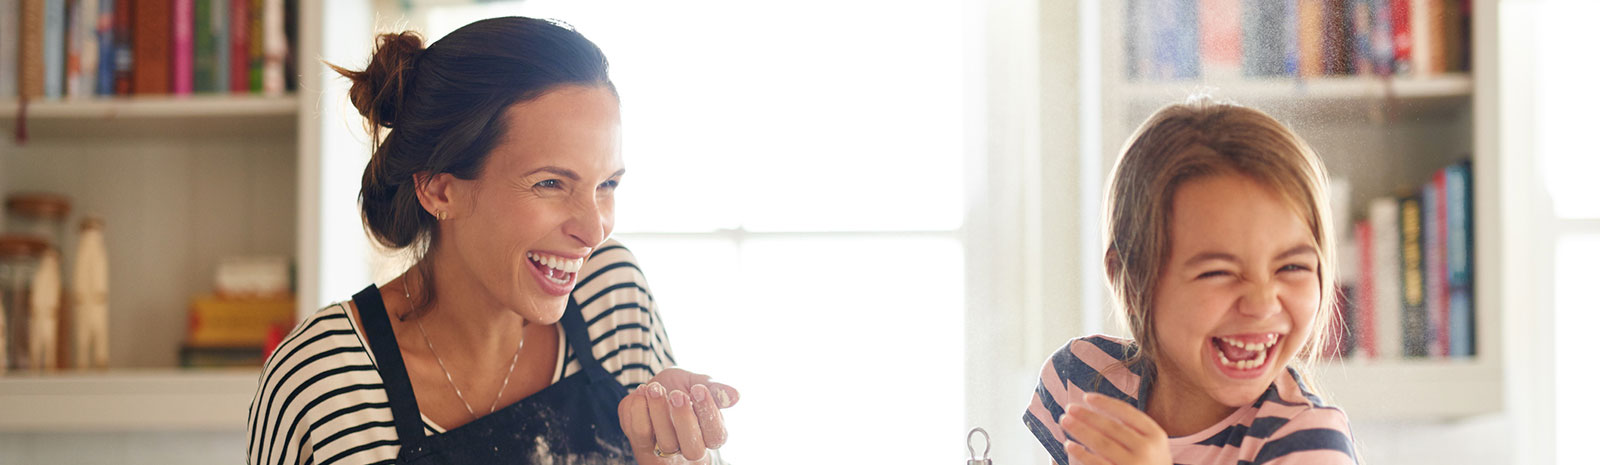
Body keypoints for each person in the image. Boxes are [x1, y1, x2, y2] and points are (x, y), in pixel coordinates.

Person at [247, 17, 735, 464]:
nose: (593, 230)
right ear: (440, 189)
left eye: (607, 185)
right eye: (550, 183)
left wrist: (672, 453)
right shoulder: (325, 380)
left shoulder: (610, 291)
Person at [1023, 99, 1357, 464]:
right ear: (1130, 280)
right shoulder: (1083, 381)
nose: (1262, 303)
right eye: (1218, 273)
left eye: (1292, 267)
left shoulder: (1306, 442)